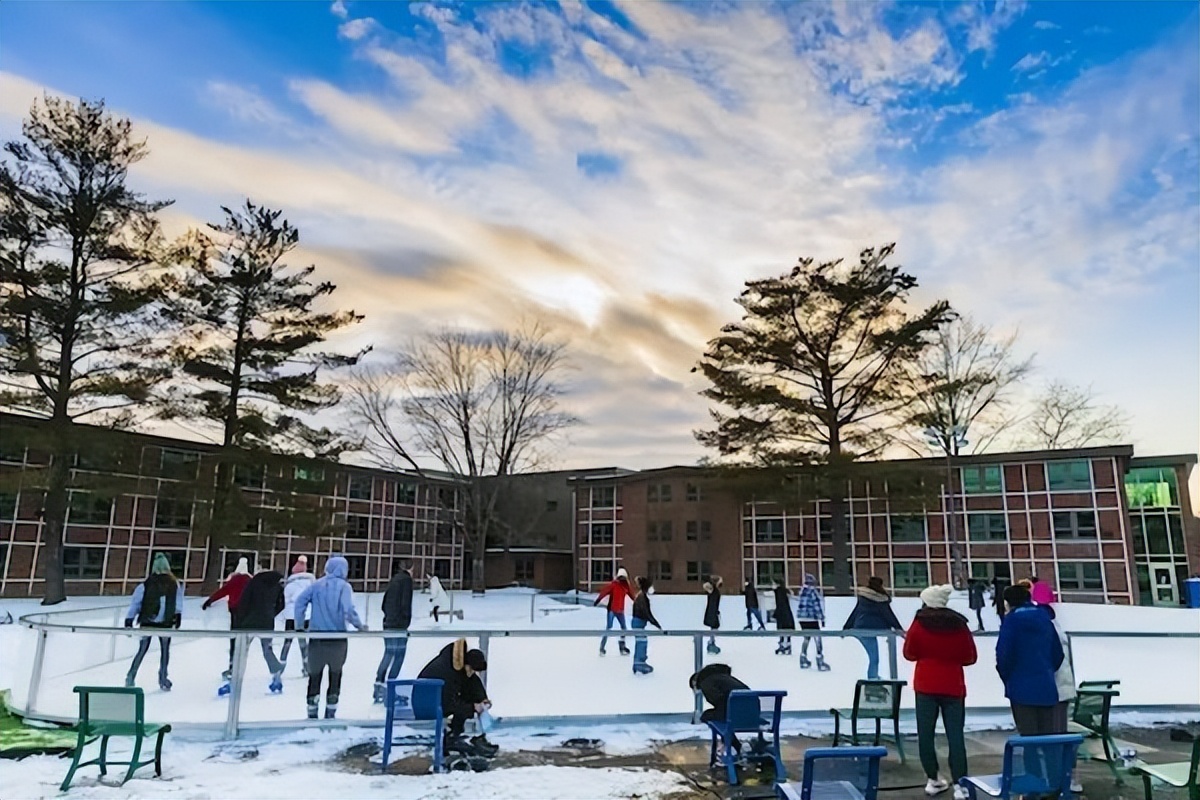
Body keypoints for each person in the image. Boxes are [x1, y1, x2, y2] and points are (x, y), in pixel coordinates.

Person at [903, 584, 977, 799]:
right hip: (953, 685)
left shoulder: (919, 624)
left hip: (926, 685)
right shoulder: (959, 625)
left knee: (925, 734)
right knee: (956, 736)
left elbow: (909, 653)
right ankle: (960, 784)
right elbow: (970, 657)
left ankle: (933, 778)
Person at [293, 555, 368, 720]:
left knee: (314, 677)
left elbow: (299, 602)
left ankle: (312, 713)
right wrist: (360, 626)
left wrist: (300, 625)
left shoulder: (316, 585)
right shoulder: (344, 587)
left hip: (317, 639)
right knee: (335, 676)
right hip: (337, 640)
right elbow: (348, 609)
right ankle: (330, 713)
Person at [996, 584, 1063, 735]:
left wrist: (1007, 677)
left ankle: (1032, 759)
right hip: (1046, 686)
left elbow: (1004, 654)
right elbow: (1058, 653)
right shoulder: (1045, 619)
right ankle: (1051, 759)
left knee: (1028, 737)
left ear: (1008, 602)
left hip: (1020, 688)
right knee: (1048, 738)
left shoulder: (1011, 621)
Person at [417, 638, 497, 758]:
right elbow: (449, 703)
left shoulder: (457, 667)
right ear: (466, 664)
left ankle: (459, 735)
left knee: (467, 702)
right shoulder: (447, 673)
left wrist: (481, 699)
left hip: (435, 701)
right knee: (465, 706)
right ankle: (454, 737)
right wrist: (473, 707)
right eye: (472, 669)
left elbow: (472, 681)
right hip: (426, 705)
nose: (471, 673)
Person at [124, 553, 183, 691]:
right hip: (166, 623)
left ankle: (131, 676)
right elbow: (178, 602)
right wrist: (178, 616)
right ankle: (163, 678)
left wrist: (129, 619)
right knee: (165, 651)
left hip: (148, 621)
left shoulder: (146, 584)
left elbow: (136, 602)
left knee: (142, 650)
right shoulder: (174, 584)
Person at [232, 564, 286, 694]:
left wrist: (240, 618)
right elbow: (281, 604)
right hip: (267, 622)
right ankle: (276, 673)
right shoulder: (276, 586)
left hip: (249, 622)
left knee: (242, 650)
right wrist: (271, 614)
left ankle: (236, 676)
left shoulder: (252, 584)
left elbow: (244, 601)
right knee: (267, 649)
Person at [842, 575, 904, 680]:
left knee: (873, 656)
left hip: (860, 627)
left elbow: (856, 612)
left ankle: (873, 676)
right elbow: (889, 615)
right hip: (873, 629)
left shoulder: (863, 598)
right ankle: (872, 678)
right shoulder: (881, 599)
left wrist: (847, 627)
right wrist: (899, 629)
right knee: (874, 658)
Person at [202, 557, 253, 680]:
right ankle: (241, 665)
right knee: (244, 639)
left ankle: (232, 664)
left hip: (235, 611)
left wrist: (209, 601)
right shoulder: (250, 581)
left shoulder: (234, 580)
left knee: (234, 639)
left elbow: (223, 591)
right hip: (246, 612)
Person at [374, 561, 414, 703]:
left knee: (388, 653)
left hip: (388, 623)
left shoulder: (394, 580)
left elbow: (384, 603)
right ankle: (391, 689)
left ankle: (378, 686)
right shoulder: (407, 581)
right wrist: (405, 621)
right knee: (398, 656)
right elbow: (405, 603)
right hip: (399, 625)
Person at [690, 663, 750, 756]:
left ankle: (733, 746)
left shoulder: (706, 682)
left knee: (707, 716)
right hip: (752, 714)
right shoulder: (723, 678)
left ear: (695, 682)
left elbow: (718, 701)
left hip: (735, 713)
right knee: (718, 716)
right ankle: (731, 744)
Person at [280, 556, 315, 676]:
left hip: (291, 616)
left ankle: (280, 666)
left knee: (287, 641)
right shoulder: (310, 585)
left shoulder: (290, 585)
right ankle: (306, 666)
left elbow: (286, 600)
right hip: (306, 615)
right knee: (303, 641)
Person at [593, 567, 633, 656]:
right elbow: (604, 591)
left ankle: (622, 647)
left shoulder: (626, 587)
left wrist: (637, 602)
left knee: (624, 628)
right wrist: (598, 600)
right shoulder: (614, 585)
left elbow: (631, 595)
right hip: (612, 609)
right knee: (609, 628)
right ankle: (602, 648)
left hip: (620, 610)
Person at [796, 573, 829, 671]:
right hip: (811, 618)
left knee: (806, 638)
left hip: (802, 619)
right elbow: (817, 606)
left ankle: (803, 658)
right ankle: (820, 660)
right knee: (817, 638)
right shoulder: (813, 592)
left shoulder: (802, 591)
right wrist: (822, 618)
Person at [631, 575, 663, 674]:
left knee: (642, 642)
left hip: (639, 622)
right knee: (641, 642)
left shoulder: (641, 596)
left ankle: (640, 662)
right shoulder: (642, 597)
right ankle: (639, 663)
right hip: (638, 622)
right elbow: (646, 613)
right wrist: (655, 623)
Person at [772, 580, 795, 655]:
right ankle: (787, 644)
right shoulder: (783, 591)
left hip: (782, 614)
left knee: (782, 629)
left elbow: (780, 604)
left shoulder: (779, 592)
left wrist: (776, 613)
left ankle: (783, 644)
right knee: (787, 629)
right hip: (786, 613)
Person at [702, 575, 723, 654]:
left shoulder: (714, 590)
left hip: (713, 611)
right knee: (714, 627)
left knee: (714, 627)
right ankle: (711, 642)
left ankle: (711, 641)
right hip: (712, 611)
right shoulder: (713, 590)